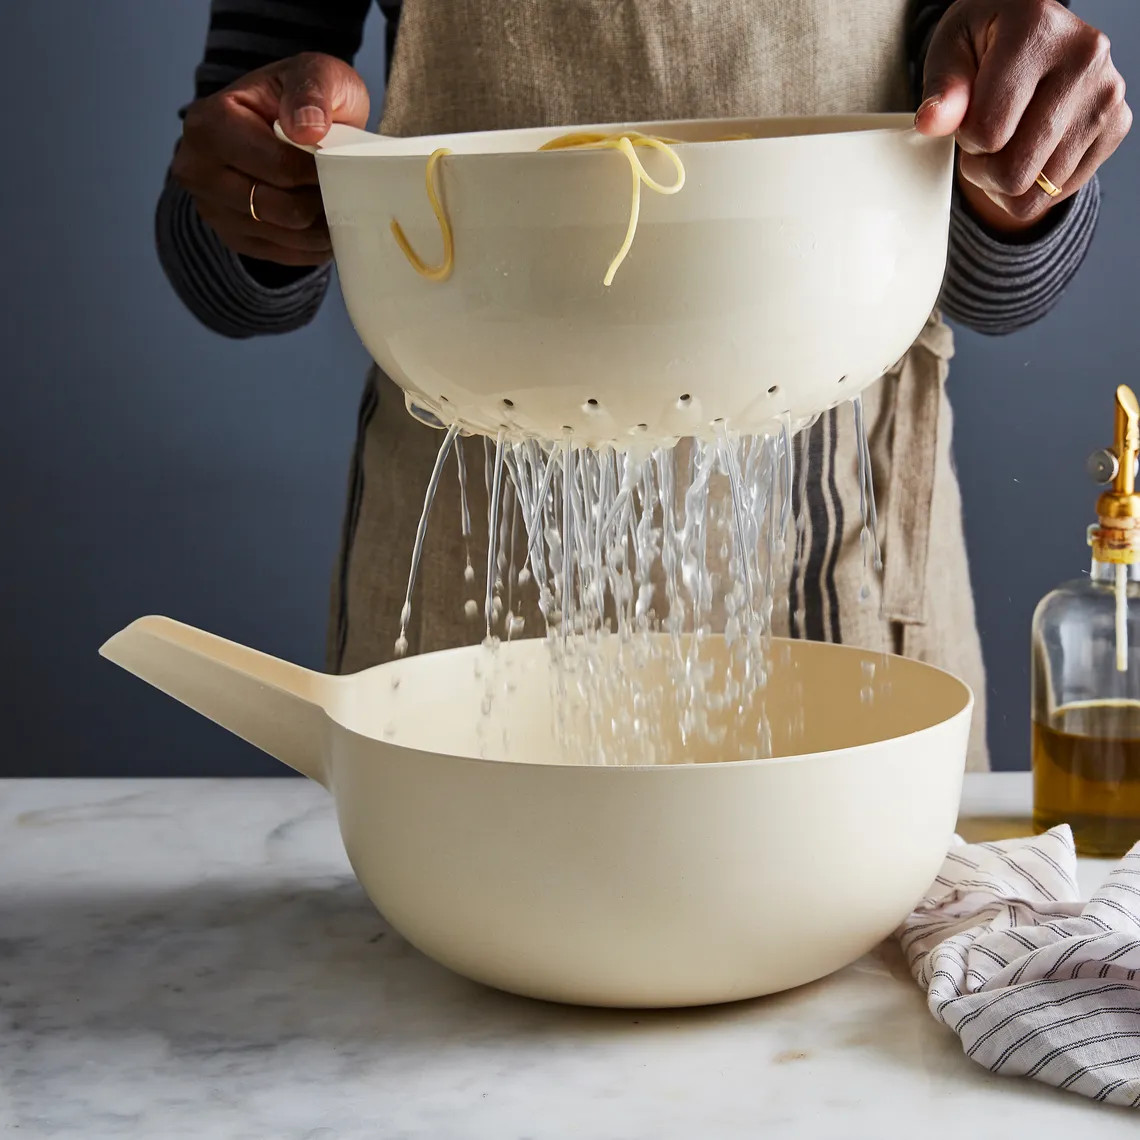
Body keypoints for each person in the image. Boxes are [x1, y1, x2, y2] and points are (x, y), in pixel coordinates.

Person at [157, 0, 1130, 771]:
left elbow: (1001, 283)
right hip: (471, 579)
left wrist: (1023, 170)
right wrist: (262, 187)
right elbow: (225, 241)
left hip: (847, 562)